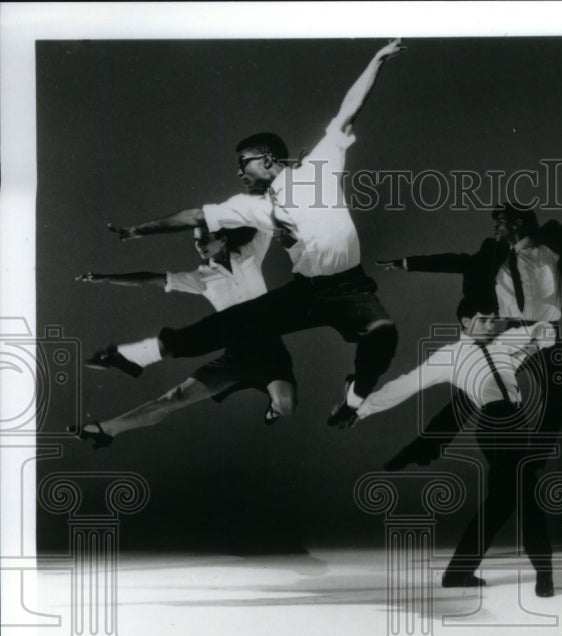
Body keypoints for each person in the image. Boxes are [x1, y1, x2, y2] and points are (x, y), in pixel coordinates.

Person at [87, 38, 405, 428]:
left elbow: (349, 109)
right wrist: (139, 230)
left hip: (350, 290)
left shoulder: (319, 166)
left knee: (384, 335)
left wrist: (377, 59)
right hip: (306, 292)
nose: (240, 172)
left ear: (267, 159)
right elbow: (192, 216)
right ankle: (134, 355)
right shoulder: (252, 205)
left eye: (244, 163)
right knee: (233, 324)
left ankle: (352, 402)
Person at [376, 176, 562, 465]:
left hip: (544, 333)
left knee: (557, 393)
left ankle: (536, 457)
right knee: (475, 388)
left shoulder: (548, 247)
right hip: (507, 331)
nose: (495, 226)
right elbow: (456, 261)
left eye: (500, 221)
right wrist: (408, 263)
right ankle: (425, 449)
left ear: (517, 223)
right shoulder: (494, 257)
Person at [355, 299, 559, 597]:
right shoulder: (449, 356)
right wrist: (361, 410)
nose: (492, 325)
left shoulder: (504, 343)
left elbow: (545, 330)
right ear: (464, 321)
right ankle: (545, 575)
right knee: (526, 496)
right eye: (485, 320)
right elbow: (405, 384)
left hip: (518, 423)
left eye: (494, 320)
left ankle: (457, 573)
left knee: (501, 502)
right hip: (494, 425)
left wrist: (531, 348)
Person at [76, 226, 297, 448]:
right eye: (195, 241)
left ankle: (274, 409)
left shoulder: (250, 253)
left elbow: (267, 223)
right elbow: (148, 279)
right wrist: (105, 278)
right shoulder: (201, 277)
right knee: (175, 398)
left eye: (204, 240)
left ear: (222, 240)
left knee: (285, 406)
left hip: (270, 352)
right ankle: (107, 429)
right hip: (237, 354)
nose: (198, 245)